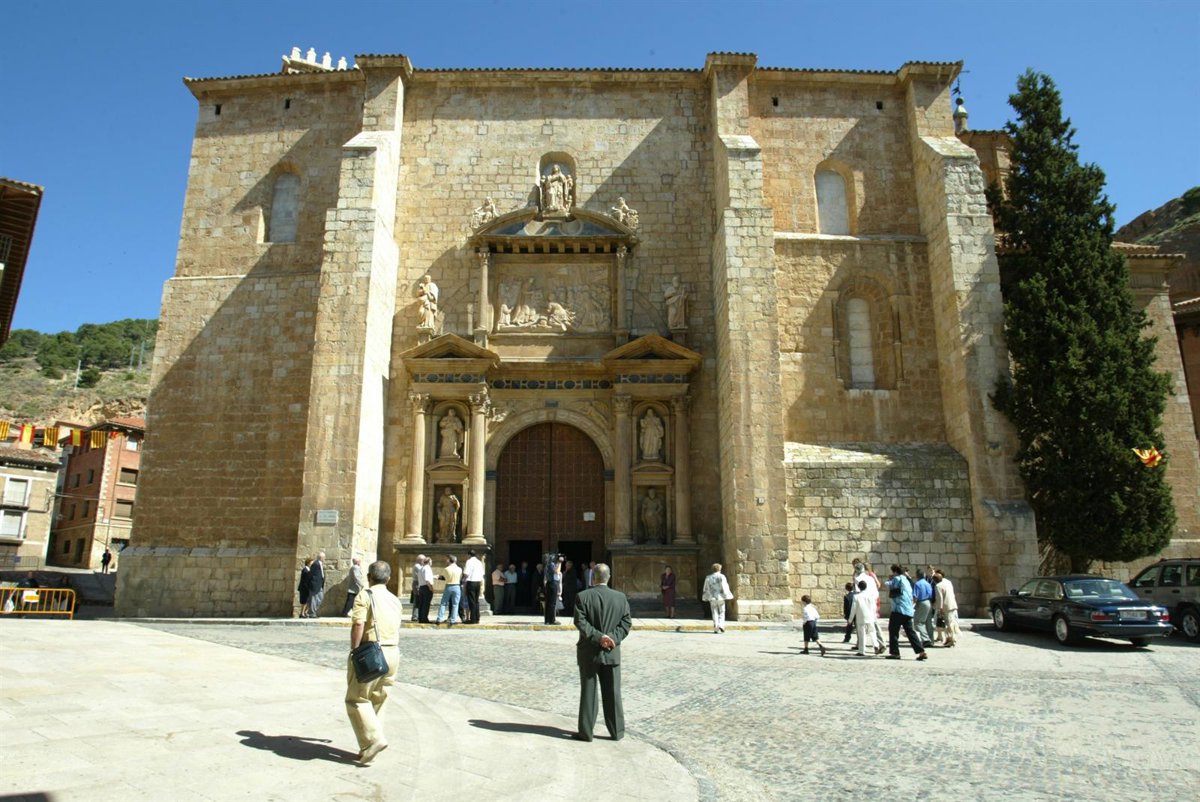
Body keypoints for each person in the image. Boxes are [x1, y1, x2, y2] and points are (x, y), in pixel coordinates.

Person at [345, 560, 402, 766]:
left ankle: (373, 740)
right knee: (379, 699)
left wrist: (354, 650)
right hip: (393, 652)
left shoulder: (365, 595)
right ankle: (367, 747)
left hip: (372, 652)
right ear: (389, 578)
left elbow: (358, 624)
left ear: (369, 577)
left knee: (356, 698)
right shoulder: (395, 599)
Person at [572, 563, 632, 742]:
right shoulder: (620, 598)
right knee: (613, 692)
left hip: (589, 651)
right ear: (609, 577)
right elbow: (626, 623)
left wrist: (599, 637)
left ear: (593, 577)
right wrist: (612, 638)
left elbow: (580, 622)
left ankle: (586, 732)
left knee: (588, 693)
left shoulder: (583, 596)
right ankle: (617, 732)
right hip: (611, 650)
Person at [885, 564, 927, 661]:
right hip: (908, 610)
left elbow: (889, 585)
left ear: (895, 572)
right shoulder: (906, 580)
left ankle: (895, 653)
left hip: (898, 609)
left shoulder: (897, 579)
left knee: (893, 631)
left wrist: (889, 579)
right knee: (910, 632)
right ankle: (921, 651)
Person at [852, 559, 885, 654]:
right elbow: (876, 590)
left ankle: (863, 648)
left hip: (864, 602)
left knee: (862, 626)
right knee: (873, 624)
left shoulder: (858, 579)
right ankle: (878, 644)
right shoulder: (870, 578)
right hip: (872, 601)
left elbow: (858, 592)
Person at [847, 579, 877, 657]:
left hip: (861, 617)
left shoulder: (856, 596)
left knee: (862, 634)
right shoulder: (870, 596)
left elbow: (853, 609)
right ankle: (876, 645)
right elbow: (874, 607)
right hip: (870, 616)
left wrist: (850, 619)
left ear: (859, 587)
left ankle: (862, 650)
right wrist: (874, 616)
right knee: (872, 632)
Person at [701, 563, 734, 634]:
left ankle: (716, 627)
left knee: (714, 612)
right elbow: (725, 586)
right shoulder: (722, 576)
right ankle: (721, 625)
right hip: (720, 597)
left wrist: (706, 596)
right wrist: (727, 595)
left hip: (712, 597)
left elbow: (706, 587)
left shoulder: (708, 577)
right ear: (719, 569)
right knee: (722, 611)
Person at [934, 570, 961, 647]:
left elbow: (940, 598)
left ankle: (952, 640)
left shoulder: (938, 586)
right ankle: (949, 639)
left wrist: (940, 609)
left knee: (948, 624)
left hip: (945, 607)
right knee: (951, 623)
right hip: (952, 605)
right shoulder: (948, 582)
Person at [435, 555, 463, 627]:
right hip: (457, 586)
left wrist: (436, 577)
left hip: (449, 586)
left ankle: (439, 618)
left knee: (443, 603)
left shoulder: (446, 569)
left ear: (449, 560)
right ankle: (453, 619)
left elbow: (443, 577)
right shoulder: (459, 569)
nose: (446, 561)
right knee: (455, 604)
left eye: (447, 560)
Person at [912, 568, 936, 647]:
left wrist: (912, 605)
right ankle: (931, 640)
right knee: (928, 622)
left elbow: (915, 596)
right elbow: (931, 594)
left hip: (921, 602)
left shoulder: (917, 584)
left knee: (918, 622)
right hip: (929, 602)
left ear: (917, 575)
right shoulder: (927, 583)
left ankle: (926, 639)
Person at [463, 549, 485, 624]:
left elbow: (466, 573)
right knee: (476, 601)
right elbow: (482, 573)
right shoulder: (479, 562)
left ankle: (473, 619)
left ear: (469, 555)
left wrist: (464, 581)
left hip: (471, 582)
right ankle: (477, 618)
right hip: (478, 582)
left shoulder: (469, 561)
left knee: (471, 601)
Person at [307, 552, 326, 619]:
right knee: (314, 599)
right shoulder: (315, 564)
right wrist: (312, 583)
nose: (324, 559)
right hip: (315, 584)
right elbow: (311, 574)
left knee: (320, 597)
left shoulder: (320, 564)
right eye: (324, 557)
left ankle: (313, 611)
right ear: (321, 558)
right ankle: (312, 613)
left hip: (319, 584)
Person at [416, 556, 435, 624]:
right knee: (426, 604)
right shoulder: (427, 568)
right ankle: (424, 619)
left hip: (421, 587)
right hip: (426, 587)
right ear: (429, 562)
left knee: (421, 604)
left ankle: (421, 618)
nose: (431, 562)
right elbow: (427, 580)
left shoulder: (421, 568)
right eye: (431, 561)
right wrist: (431, 588)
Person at [543, 555, 561, 625]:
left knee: (548, 603)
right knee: (552, 603)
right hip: (553, 583)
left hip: (549, 583)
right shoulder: (552, 564)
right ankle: (552, 620)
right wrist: (559, 563)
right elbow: (557, 572)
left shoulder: (547, 565)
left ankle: (547, 620)